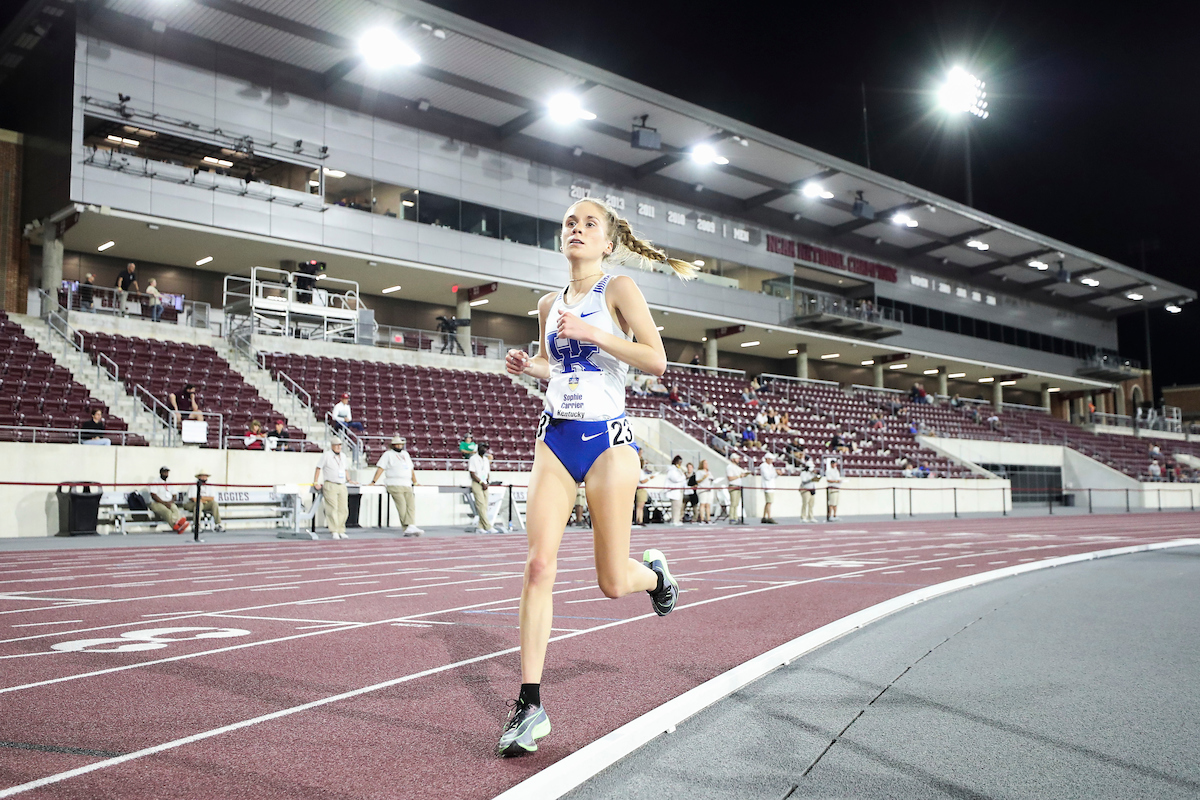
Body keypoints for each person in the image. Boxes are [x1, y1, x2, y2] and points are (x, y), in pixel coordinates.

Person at [499, 197, 692, 756]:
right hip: (555, 437)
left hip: (608, 441)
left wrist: (592, 332)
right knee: (538, 564)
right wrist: (527, 365)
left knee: (611, 582)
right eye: (569, 223)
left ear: (607, 242)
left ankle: (656, 577)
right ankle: (530, 704)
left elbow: (655, 361)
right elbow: (555, 366)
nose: (577, 230)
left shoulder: (618, 290)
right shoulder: (546, 303)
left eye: (589, 224)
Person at [371, 434, 423, 536]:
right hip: (394, 483)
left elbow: (411, 469)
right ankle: (408, 526)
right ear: (393, 445)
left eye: (400, 444)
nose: (399, 446)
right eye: (397, 444)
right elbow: (380, 468)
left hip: (407, 483)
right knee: (402, 505)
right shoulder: (388, 454)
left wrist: (415, 482)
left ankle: (410, 526)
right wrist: (373, 481)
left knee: (410, 505)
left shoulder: (405, 454)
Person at [313, 439, 351, 539]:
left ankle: (341, 529)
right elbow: (318, 468)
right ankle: (334, 530)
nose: (339, 447)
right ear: (332, 445)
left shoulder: (343, 456)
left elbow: (345, 469)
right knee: (332, 508)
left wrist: (349, 479)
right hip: (330, 484)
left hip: (342, 484)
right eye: (336, 445)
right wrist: (316, 482)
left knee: (343, 509)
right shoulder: (327, 455)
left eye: (340, 445)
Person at [468, 442, 500, 533]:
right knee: (481, 505)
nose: (484, 449)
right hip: (477, 483)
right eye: (482, 447)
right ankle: (488, 526)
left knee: (485, 506)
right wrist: (481, 482)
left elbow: (487, 472)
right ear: (478, 448)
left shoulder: (486, 460)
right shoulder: (473, 459)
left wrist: (487, 482)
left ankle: (480, 527)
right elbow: (472, 473)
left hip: (485, 484)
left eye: (485, 448)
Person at [147, 465, 189, 534]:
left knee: (175, 509)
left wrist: (170, 502)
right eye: (164, 472)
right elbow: (153, 495)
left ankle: (178, 524)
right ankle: (176, 526)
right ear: (160, 473)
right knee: (167, 512)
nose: (166, 474)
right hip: (157, 503)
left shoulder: (170, 482)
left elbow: (174, 495)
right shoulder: (155, 481)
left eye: (167, 472)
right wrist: (164, 503)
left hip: (169, 502)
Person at [665, 454, 687, 526]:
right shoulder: (672, 470)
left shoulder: (678, 470)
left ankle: (677, 520)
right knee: (675, 506)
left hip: (679, 490)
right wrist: (683, 477)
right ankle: (674, 520)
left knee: (679, 506)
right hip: (674, 491)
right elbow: (676, 479)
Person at [726, 452, 747, 523]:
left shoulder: (737, 467)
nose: (738, 460)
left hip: (738, 486)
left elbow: (743, 473)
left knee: (737, 503)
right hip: (733, 486)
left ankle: (735, 516)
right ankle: (731, 517)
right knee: (733, 503)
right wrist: (739, 476)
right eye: (736, 458)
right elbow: (730, 478)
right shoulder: (729, 467)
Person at [634, 457, 653, 527]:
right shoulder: (640, 471)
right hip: (641, 489)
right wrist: (649, 478)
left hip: (642, 489)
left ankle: (640, 520)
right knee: (640, 506)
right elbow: (642, 481)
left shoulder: (640, 471)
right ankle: (638, 520)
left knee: (641, 507)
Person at [759, 453, 778, 524]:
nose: (771, 461)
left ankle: (764, 516)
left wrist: (777, 474)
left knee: (768, 502)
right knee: (769, 502)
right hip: (767, 486)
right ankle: (769, 516)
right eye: (770, 459)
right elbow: (767, 476)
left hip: (771, 485)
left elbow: (773, 476)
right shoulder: (763, 466)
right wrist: (775, 473)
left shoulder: (771, 466)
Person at [695, 459, 713, 524]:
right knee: (702, 504)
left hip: (708, 489)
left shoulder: (709, 472)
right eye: (705, 463)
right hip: (702, 489)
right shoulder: (699, 472)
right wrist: (704, 477)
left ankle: (708, 518)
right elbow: (697, 480)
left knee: (708, 504)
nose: (706, 465)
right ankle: (702, 519)